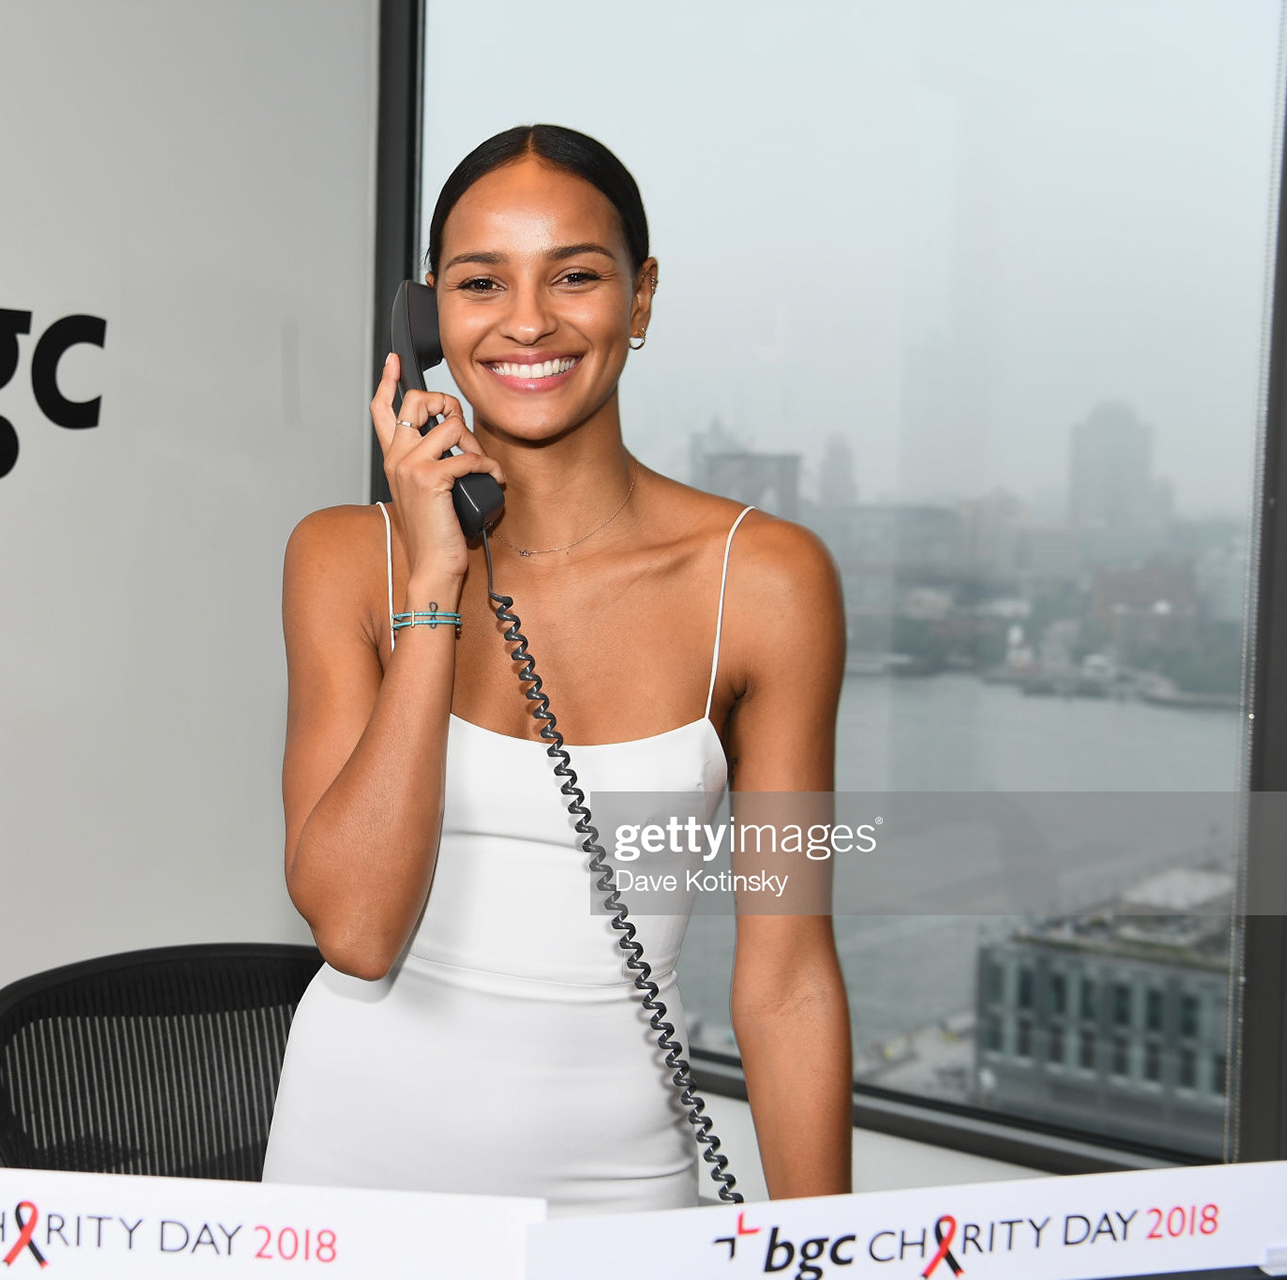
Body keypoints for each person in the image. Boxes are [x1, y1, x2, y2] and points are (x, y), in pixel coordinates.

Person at [260, 124, 852, 1214]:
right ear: (430, 316)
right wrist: (434, 583)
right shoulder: (344, 557)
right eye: (482, 282)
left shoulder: (765, 583)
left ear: (641, 295)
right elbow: (356, 927)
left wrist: (825, 1249)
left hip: (627, 1191)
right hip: (348, 1181)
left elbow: (789, 974)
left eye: (575, 275)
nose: (528, 321)